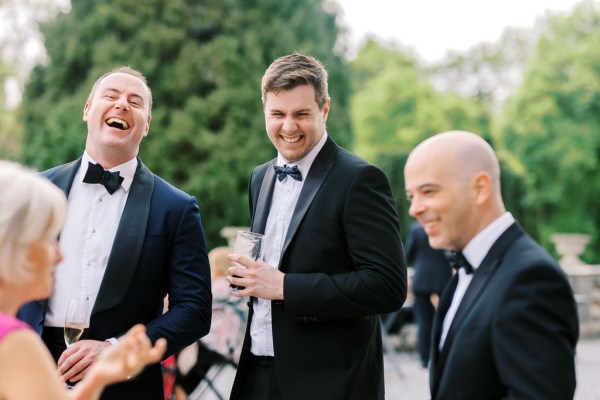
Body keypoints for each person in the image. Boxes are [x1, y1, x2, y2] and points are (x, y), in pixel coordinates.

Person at [17, 66, 212, 400]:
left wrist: (117, 350)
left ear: (146, 125)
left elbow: (194, 310)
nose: (122, 104)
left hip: (127, 386)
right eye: (111, 96)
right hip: (28, 374)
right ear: (87, 110)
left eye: (135, 102)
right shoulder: (36, 190)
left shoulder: (176, 208)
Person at [226, 53, 407, 400]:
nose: (288, 127)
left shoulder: (359, 179)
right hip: (257, 374)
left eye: (301, 114)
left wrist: (285, 287)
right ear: (264, 111)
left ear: (325, 111)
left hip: (329, 383)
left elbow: (387, 287)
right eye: (277, 114)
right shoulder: (260, 177)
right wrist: (245, 274)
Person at [404, 130, 579, 399]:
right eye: (411, 196)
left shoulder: (531, 279)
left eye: (428, 191)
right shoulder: (465, 269)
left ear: (480, 188)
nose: (414, 209)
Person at [0, 160, 167, 400]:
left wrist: (99, 377)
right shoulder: (14, 343)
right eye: (48, 239)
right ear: (16, 246)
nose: (59, 255)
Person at [404, 220, 452, 368]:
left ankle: (424, 358)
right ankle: (444, 355)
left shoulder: (416, 229)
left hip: (422, 279)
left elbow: (407, 253)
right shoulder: (446, 225)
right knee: (446, 319)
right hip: (443, 279)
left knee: (423, 321)